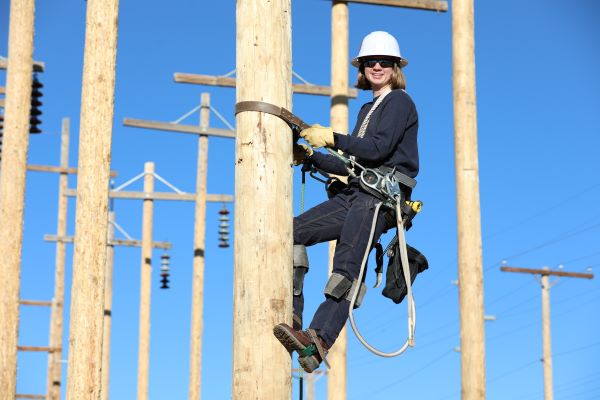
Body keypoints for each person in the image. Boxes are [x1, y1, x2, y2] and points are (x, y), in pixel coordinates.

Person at [273, 31, 420, 373]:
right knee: (291, 234)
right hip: (358, 193)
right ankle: (294, 314)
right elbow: (356, 165)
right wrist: (313, 157)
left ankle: (318, 340)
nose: (378, 67)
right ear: (363, 67)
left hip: (380, 200)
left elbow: (378, 150)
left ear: (396, 67)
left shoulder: (400, 102)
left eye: (385, 62)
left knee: (347, 263)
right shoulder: (369, 107)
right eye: (371, 62)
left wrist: (333, 138)